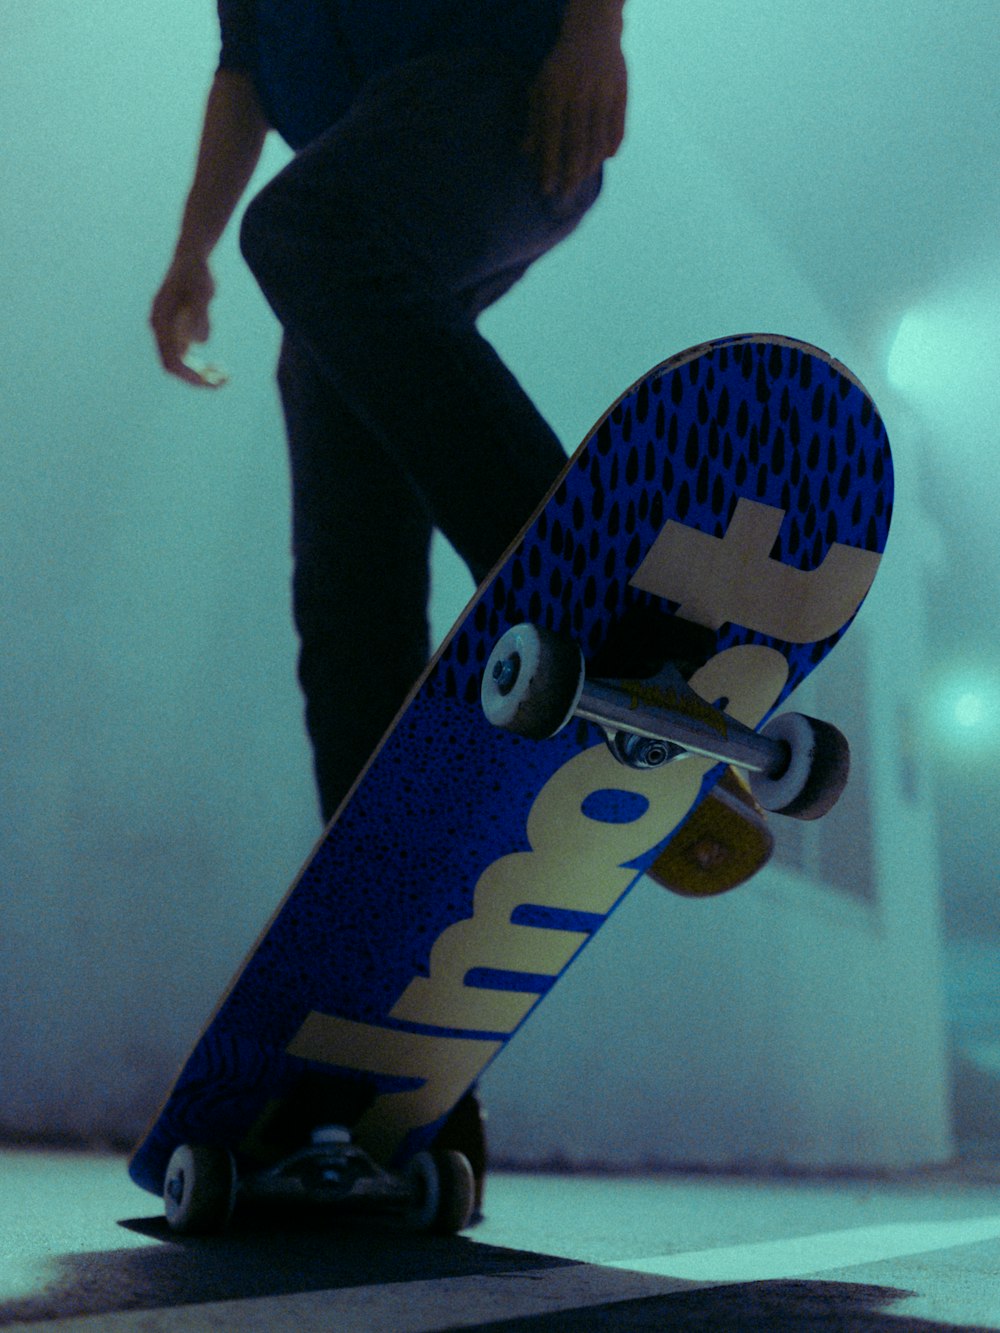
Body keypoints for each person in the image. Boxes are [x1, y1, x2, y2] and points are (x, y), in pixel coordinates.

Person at [149, 0, 627, 1213]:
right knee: (347, 612)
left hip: (501, 111)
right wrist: (188, 250)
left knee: (309, 227)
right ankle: (394, 1084)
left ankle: (587, 585)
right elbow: (244, 73)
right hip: (375, 187)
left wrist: (593, 31)